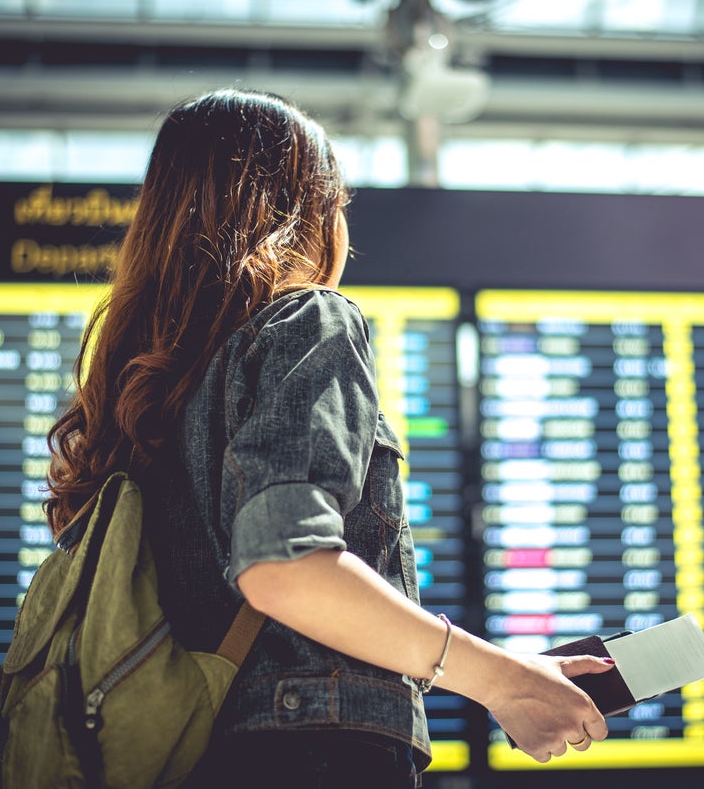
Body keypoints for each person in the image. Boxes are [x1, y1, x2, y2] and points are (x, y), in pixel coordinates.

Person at [44, 88, 613, 787]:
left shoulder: (140, 391)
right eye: (336, 204)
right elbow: (285, 568)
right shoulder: (308, 322)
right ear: (307, 214)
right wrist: (500, 680)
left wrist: (518, 676)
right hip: (307, 757)